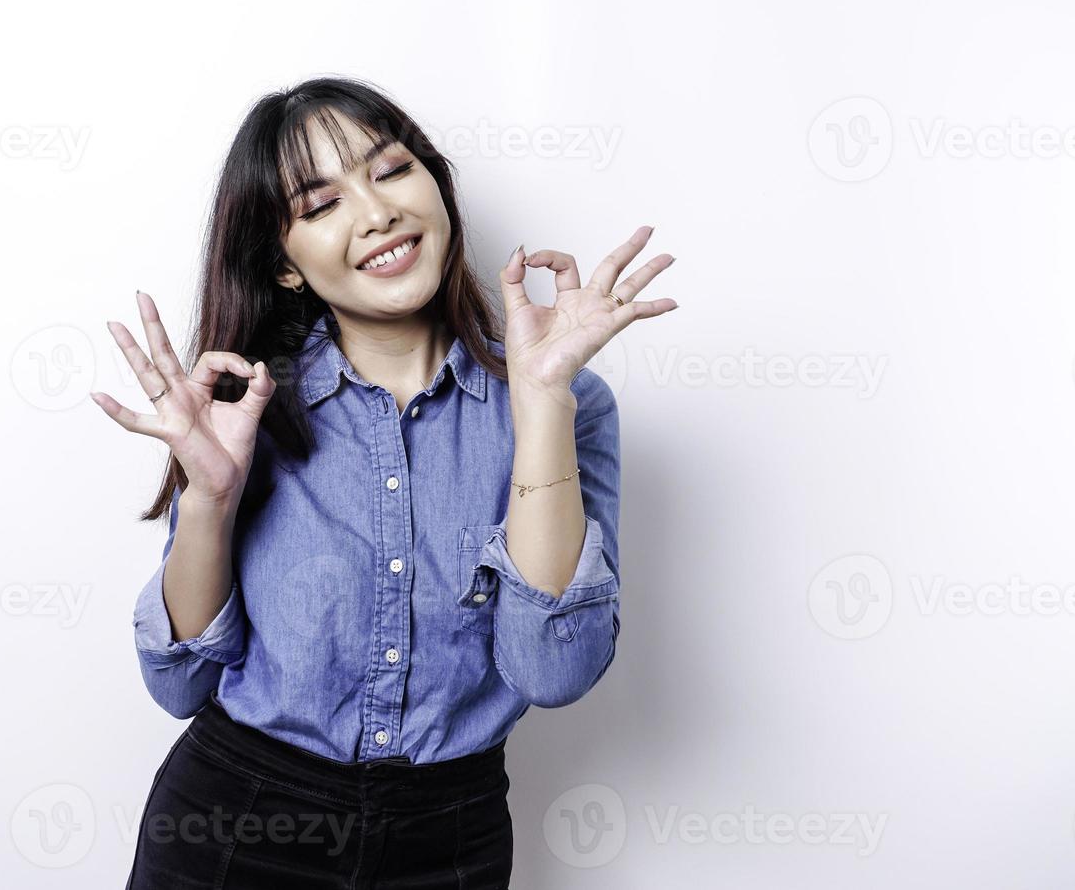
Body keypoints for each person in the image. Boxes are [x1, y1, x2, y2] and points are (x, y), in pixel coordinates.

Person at [91, 76, 677, 889]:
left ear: (435, 185)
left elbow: (552, 673)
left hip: (451, 842)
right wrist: (210, 500)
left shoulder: (568, 406)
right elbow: (179, 683)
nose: (376, 214)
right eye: (321, 205)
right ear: (285, 267)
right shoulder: (245, 414)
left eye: (392, 171)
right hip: (233, 830)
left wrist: (540, 401)